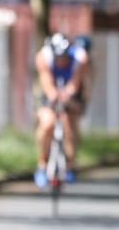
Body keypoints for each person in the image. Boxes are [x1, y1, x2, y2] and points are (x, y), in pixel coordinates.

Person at [33, 32, 90, 188]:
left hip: (71, 92)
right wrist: (53, 96)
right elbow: (47, 83)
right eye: (58, 58)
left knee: (68, 121)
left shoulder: (81, 58)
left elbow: (74, 84)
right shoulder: (42, 58)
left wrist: (68, 98)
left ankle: (70, 164)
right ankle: (42, 164)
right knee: (47, 123)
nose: (62, 61)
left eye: (64, 58)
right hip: (49, 90)